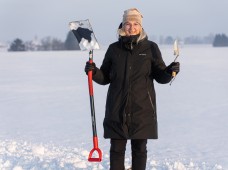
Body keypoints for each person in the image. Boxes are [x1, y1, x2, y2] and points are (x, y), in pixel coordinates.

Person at [85, 8, 180, 170]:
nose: (132, 27)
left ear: (141, 26)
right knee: (116, 149)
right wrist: (94, 72)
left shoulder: (150, 48)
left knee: (139, 149)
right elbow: (105, 78)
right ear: (123, 26)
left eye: (136, 23)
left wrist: (170, 71)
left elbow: (160, 77)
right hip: (117, 108)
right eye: (128, 23)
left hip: (142, 108)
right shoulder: (114, 49)